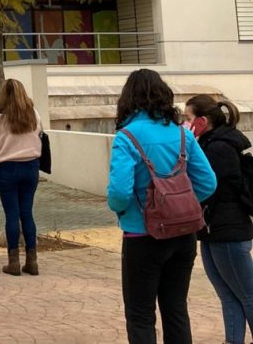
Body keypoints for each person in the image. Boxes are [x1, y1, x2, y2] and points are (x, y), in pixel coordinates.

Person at [108, 69, 216, 343]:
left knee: (141, 315)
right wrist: (179, 204)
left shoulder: (126, 137)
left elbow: (119, 192)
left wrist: (124, 210)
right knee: (176, 310)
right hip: (183, 235)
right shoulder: (183, 135)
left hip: (142, 236)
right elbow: (208, 183)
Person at [185, 94, 253, 344]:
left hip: (228, 230)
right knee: (228, 294)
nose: (186, 123)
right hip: (214, 230)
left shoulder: (219, 148)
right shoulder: (210, 144)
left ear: (202, 121)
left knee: (247, 295)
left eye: (189, 118)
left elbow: (216, 188)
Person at [0, 78, 42, 277]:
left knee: (12, 213)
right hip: (31, 166)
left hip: (7, 168)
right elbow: (40, 132)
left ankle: (13, 261)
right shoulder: (33, 113)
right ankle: (32, 260)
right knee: (27, 212)